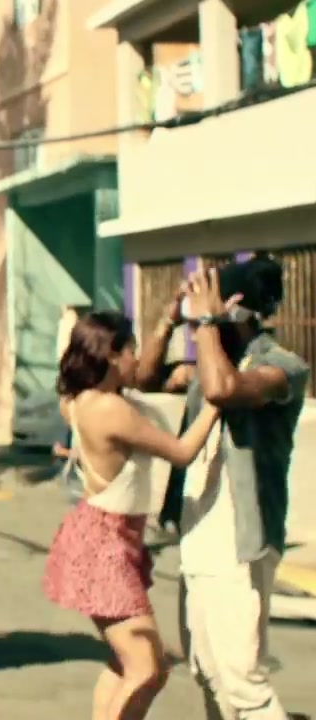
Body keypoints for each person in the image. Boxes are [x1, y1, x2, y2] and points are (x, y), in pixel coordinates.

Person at [43, 310, 221, 720]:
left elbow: (141, 377)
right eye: (131, 350)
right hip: (105, 543)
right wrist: (216, 401)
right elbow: (181, 452)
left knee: (129, 663)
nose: (136, 359)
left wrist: (165, 324)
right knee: (147, 669)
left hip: (104, 535)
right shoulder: (112, 410)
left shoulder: (80, 400)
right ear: (111, 354)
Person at [159, 259, 309, 720]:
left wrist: (206, 321)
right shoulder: (207, 359)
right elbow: (143, 377)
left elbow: (224, 389)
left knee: (243, 682)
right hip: (197, 536)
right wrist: (169, 321)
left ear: (235, 306)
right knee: (207, 672)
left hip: (240, 542)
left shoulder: (281, 367)